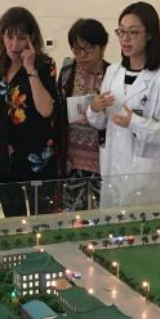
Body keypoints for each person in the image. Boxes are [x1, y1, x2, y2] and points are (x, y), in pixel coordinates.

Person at [87, 2, 160, 208]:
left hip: (143, 172)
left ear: (149, 35)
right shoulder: (113, 72)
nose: (125, 38)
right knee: (111, 222)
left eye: (133, 32)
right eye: (121, 31)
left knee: (140, 222)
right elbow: (101, 122)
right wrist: (94, 109)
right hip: (112, 167)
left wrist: (135, 123)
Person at [0, 7, 59, 217]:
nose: (14, 44)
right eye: (9, 37)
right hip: (2, 157)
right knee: (13, 220)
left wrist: (30, 68)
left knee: (41, 220)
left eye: (21, 37)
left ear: (31, 38)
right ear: (2, 37)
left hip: (35, 157)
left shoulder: (44, 65)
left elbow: (46, 110)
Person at [56, 18, 109, 211]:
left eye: (89, 49)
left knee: (104, 214)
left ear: (102, 48)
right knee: (73, 216)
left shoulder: (112, 74)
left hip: (102, 160)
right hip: (72, 160)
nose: (82, 55)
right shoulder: (67, 73)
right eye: (77, 49)